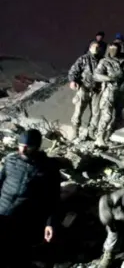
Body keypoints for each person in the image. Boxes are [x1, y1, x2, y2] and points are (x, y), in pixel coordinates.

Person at [0, 129, 60, 265]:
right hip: (2, 210)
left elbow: (53, 198)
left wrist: (50, 224)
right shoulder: (10, 160)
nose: (23, 149)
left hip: (23, 218)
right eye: (21, 145)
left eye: (28, 147)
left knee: (14, 252)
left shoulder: (48, 168)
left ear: (37, 147)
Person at [92, 43, 124, 147]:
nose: (113, 51)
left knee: (120, 116)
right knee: (106, 116)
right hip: (109, 91)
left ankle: (111, 135)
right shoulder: (105, 61)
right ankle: (100, 138)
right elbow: (96, 75)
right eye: (111, 48)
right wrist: (110, 79)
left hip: (121, 92)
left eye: (115, 49)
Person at [68, 41, 102, 141]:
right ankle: (75, 132)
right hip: (84, 89)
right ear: (90, 47)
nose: (97, 49)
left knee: (96, 113)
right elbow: (73, 71)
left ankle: (91, 132)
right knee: (78, 112)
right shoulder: (83, 59)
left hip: (96, 91)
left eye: (98, 47)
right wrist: (73, 81)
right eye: (95, 47)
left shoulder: (101, 60)